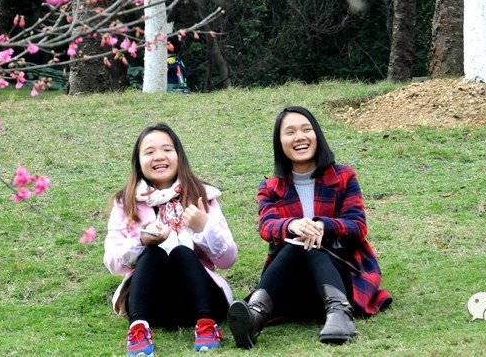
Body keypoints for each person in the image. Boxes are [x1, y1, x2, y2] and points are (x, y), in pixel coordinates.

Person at [228, 106, 391, 348]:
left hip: (341, 276)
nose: (300, 137)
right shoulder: (270, 187)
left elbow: (357, 226)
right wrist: (293, 225)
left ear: (317, 136)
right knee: (300, 241)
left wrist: (322, 226)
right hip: (293, 287)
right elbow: (267, 227)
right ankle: (253, 318)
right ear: (280, 142)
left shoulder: (344, 176)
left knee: (310, 242)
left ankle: (339, 313)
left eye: (306, 130)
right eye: (290, 132)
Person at [104, 123, 238, 356]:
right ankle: (138, 330)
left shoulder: (202, 196)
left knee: (181, 252)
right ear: (138, 161)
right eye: (149, 152)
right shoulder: (125, 203)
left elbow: (228, 259)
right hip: (153, 303)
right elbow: (113, 264)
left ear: (179, 156)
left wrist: (203, 227)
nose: (159, 157)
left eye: (167, 149)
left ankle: (207, 326)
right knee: (154, 252)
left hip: (201, 299)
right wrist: (140, 241)